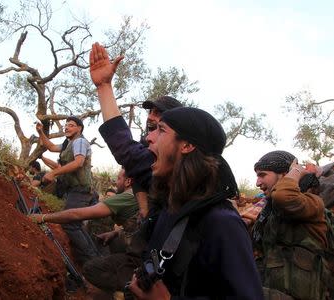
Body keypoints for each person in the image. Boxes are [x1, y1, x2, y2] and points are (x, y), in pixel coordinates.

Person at [90, 42, 263, 299]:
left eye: (161, 130)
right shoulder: (170, 198)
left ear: (188, 145)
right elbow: (124, 147)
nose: (149, 139)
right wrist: (104, 87)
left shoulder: (221, 224)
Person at [30, 168, 141, 296]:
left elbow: (77, 214)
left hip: (139, 257)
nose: (116, 182)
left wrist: (43, 217)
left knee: (91, 270)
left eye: (119, 179)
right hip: (141, 251)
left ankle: (123, 293)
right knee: (113, 244)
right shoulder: (138, 195)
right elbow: (137, 225)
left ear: (128, 181)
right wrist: (115, 233)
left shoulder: (126, 196)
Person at [251, 150, 334, 300]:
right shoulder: (270, 212)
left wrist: (296, 170)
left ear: (284, 174)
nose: (257, 183)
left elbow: (283, 196)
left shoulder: (311, 203)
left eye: (262, 175)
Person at [35, 116, 99, 265]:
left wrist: (53, 173)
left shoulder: (80, 142)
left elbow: (78, 162)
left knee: (69, 224)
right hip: (75, 190)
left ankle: (92, 261)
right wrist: (41, 132)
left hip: (81, 190)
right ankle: (95, 258)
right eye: (66, 125)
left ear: (79, 128)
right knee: (75, 224)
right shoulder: (67, 143)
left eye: (71, 125)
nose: (67, 128)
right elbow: (51, 147)